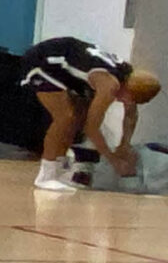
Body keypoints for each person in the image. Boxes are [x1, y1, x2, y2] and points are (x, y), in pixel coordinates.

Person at [22, 37, 160, 190]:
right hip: (42, 61)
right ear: (129, 91)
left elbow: (131, 115)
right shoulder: (109, 85)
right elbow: (92, 128)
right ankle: (46, 176)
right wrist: (114, 161)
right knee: (65, 117)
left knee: (77, 117)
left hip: (66, 67)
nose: (124, 103)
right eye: (128, 100)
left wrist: (124, 144)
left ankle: (59, 172)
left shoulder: (129, 75)